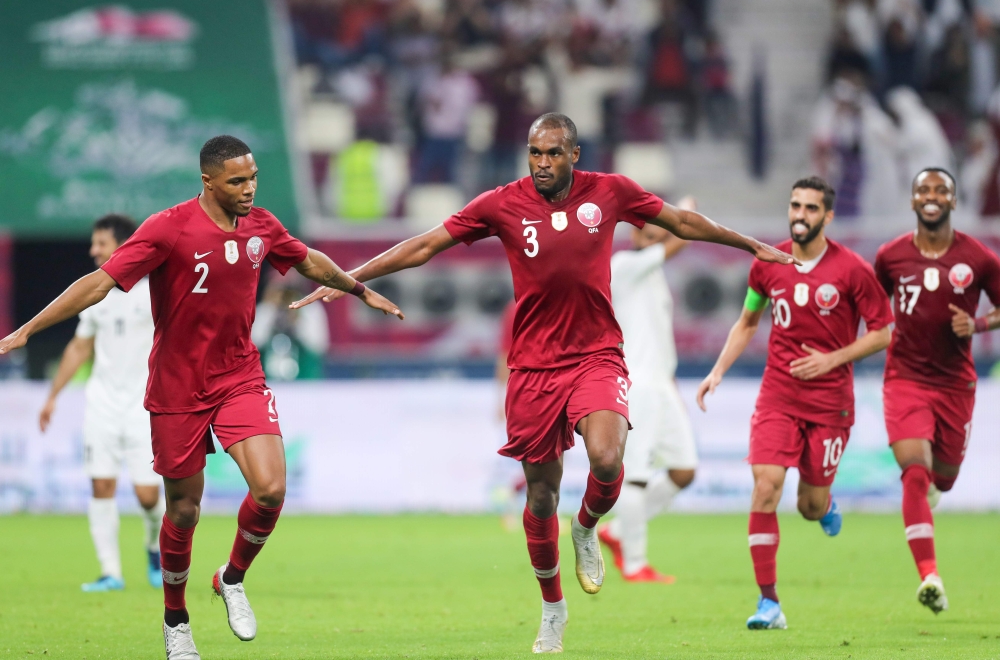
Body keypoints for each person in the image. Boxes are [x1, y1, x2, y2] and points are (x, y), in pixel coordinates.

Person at [290, 113, 796, 653]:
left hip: (596, 356)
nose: (542, 163)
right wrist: (349, 280)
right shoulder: (502, 203)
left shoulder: (610, 192)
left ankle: (585, 528)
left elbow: (682, 223)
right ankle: (553, 609)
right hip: (533, 369)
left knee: (607, 459)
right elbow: (424, 246)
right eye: (535, 153)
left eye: (553, 153)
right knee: (539, 495)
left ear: (574, 154)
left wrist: (750, 245)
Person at [0, 135, 402, 660]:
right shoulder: (168, 228)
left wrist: (358, 287)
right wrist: (28, 330)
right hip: (177, 387)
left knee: (271, 489)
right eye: (237, 181)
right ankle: (176, 620)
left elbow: (308, 259)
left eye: (253, 177)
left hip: (239, 377)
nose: (249, 189)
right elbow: (99, 283)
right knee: (184, 510)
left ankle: (230, 578)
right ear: (208, 181)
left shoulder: (262, 225)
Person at [696, 176, 894, 631]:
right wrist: (718, 370)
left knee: (808, 504)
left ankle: (823, 508)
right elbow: (748, 320)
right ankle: (770, 602)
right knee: (765, 486)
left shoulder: (852, 270)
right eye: (794, 206)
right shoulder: (767, 262)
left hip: (830, 405)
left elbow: (883, 332)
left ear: (827, 216)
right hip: (777, 396)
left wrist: (832, 359)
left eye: (810, 208)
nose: (799, 215)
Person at [874, 168, 1000, 615]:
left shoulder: (979, 258)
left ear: (952, 199)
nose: (931, 197)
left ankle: (931, 492)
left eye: (940, 190)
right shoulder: (890, 257)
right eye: (923, 190)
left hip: (955, 384)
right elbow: (873, 308)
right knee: (914, 471)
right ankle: (929, 575)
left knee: (942, 477)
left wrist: (980, 323)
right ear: (912, 202)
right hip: (904, 379)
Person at [38, 214, 164, 592]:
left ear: (123, 247)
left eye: (100, 243)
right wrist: (53, 396)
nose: (93, 251)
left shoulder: (153, 293)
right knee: (101, 486)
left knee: (148, 495)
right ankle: (111, 572)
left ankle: (154, 549)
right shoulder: (95, 296)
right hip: (102, 405)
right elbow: (79, 347)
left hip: (144, 407)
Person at [597, 196, 695, 583]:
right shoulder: (623, 266)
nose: (655, 237)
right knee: (636, 473)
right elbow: (681, 241)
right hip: (636, 383)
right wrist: (685, 214)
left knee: (684, 470)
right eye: (650, 229)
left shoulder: (653, 273)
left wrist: (672, 384)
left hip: (661, 383)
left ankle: (618, 530)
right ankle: (635, 564)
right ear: (636, 231)